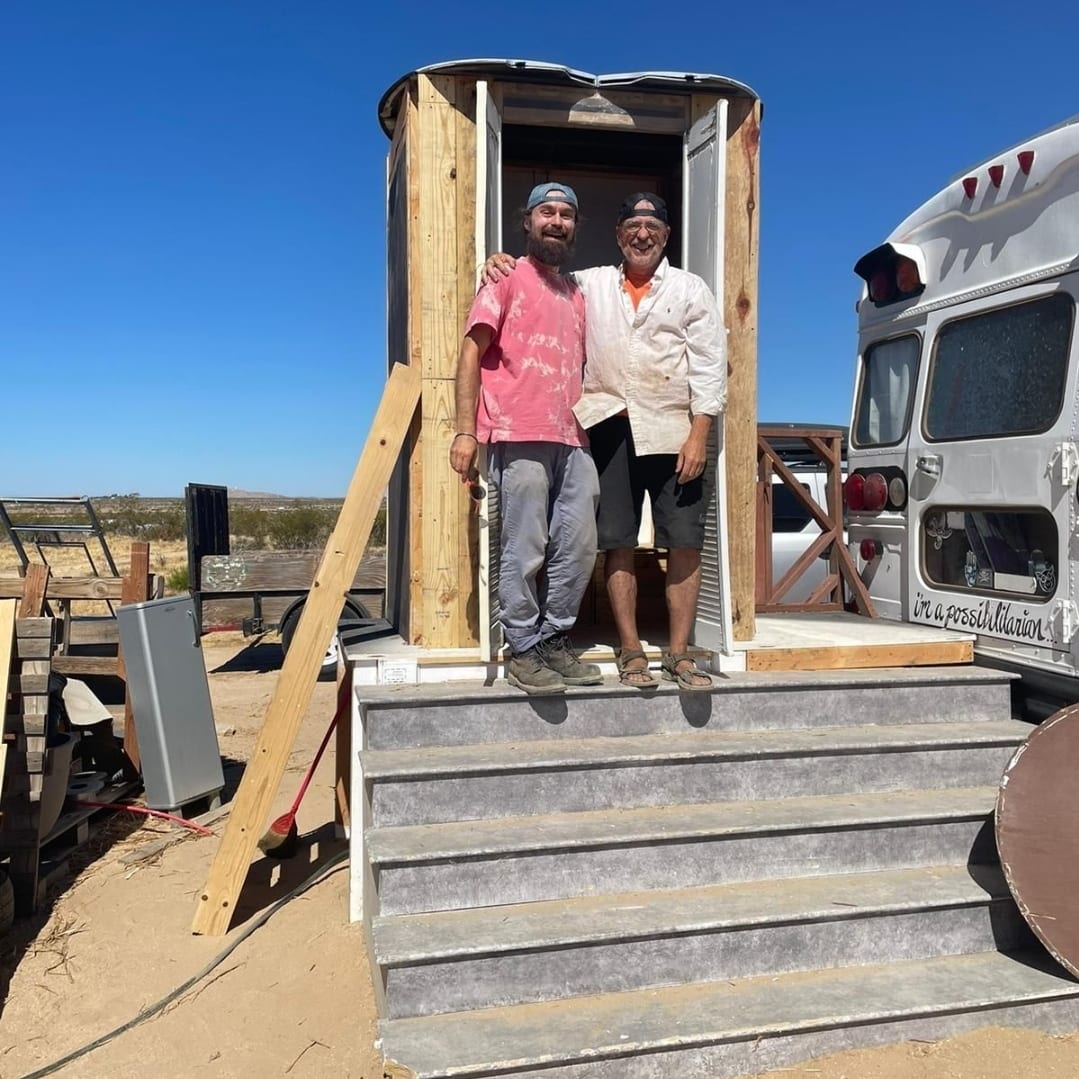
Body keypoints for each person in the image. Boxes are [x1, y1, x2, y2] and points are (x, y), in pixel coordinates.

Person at [483, 193, 727, 691]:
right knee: (615, 543)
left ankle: (679, 654)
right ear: (619, 236)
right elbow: (540, 273)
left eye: (652, 227)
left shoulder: (690, 288)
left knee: (682, 544)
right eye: (633, 226)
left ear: (666, 235)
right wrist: (496, 261)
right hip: (608, 427)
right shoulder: (587, 283)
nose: (642, 235)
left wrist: (700, 432)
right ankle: (631, 650)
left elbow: (709, 363)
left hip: (673, 429)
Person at [450, 181, 602, 696]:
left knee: (580, 544)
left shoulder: (576, 292)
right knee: (525, 544)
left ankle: (555, 639)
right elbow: (471, 352)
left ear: (574, 226)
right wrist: (465, 430)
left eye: (565, 214)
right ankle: (522, 646)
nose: (556, 221)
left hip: (573, 435)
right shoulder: (506, 276)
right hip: (518, 430)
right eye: (546, 212)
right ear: (528, 221)